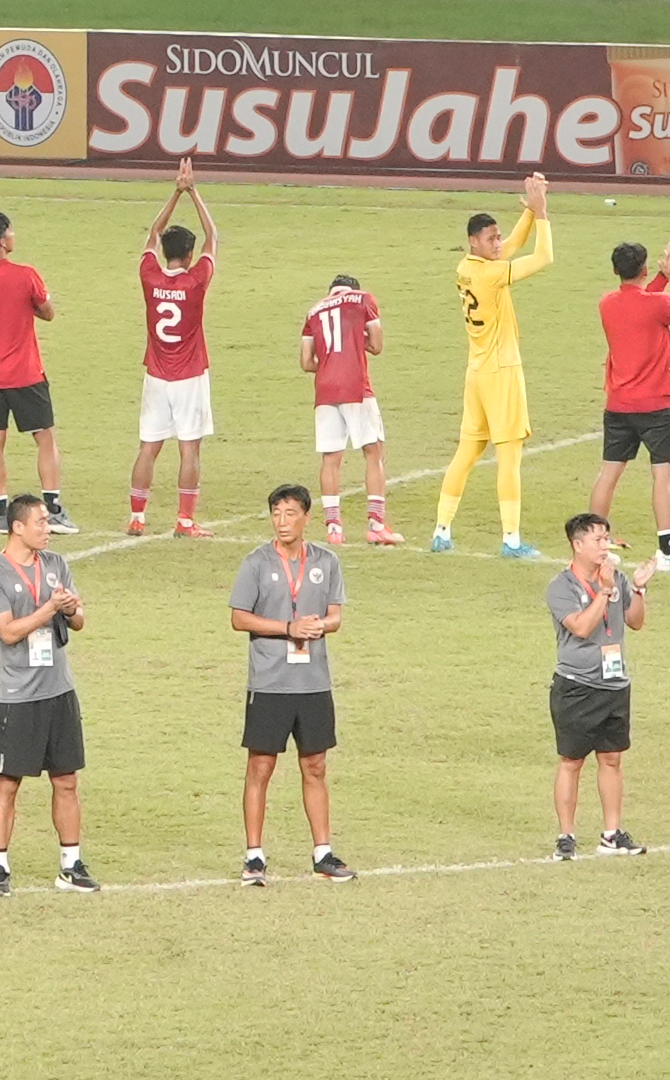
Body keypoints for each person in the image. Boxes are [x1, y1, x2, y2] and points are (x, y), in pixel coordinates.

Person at [228, 483, 350, 884]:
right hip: (269, 683)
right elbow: (239, 618)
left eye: (290, 513)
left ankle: (323, 853)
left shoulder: (326, 562)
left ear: (306, 518)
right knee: (260, 767)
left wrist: (320, 625)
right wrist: (288, 628)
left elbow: (336, 615)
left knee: (315, 766)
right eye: (276, 514)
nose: (282, 522)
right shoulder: (256, 563)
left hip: (313, 682)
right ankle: (254, 856)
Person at [0, 495, 93, 894]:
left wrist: (71, 609)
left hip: (59, 689)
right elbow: (8, 632)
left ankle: (71, 866)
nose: (47, 528)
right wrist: (49, 608)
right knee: (8, 782)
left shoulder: (56, 564)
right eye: (40, 522)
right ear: (18, 527)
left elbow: (79, 621)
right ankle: (0, 870)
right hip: (18, 695)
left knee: (67, 780)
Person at [434, 171, 555, 559]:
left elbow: (510, 248)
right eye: (491, 239)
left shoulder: (466, 268)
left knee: (467, 452)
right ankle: (511, 540)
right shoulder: (491, 275)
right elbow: (543, 257)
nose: (498, 243)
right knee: (509, 456)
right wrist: (542, 214)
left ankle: (441, 530)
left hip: (476, 372)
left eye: (498, 236)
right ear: (474, 241)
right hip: (502, 371)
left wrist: (529, 212)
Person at [588, 234, 670, 567]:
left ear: (615, 270)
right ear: (644, 269)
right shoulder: (658, 304)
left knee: (608, 473)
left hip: (618, 405)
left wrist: (662, 276)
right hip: (657, 406)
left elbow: (640, 301)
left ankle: (593, 543)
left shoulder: (607, 303)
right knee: (663, 477)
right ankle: (668, 551)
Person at [546, 512, 648, 858]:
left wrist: (638, 588)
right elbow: (581, 627)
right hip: (577, 685)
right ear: (578, 545)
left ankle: (611, 834)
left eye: (607, 538)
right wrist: (604, 590)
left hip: (614, 683)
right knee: (572, 761)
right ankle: (566, 836)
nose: (606, 546)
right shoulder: (561, 587)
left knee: (612, 758)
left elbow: (636, 622)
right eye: (598, 540)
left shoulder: (617, 578)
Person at [130, 158, 219, 537]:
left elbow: (153, 232)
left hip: (156, 376)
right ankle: (185, 520)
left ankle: (137, 516)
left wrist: (174, 193)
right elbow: (213, 236)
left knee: (148, 447)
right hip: (190, 376)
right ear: (190, 254)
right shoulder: (196, 281)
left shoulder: (149, 275)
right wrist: (193, 192)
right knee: (189, 448)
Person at [0, 210, 63, 529]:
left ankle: (2, 514)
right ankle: (53, 509)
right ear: (3, 241)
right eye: (11, 232)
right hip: (25, 372)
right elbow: (48, 313)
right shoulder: (26, 275)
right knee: (45, 438)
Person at [302, 271, 396, 546]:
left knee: (330, 458)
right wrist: (357, 341)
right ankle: (376, 525)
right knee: (373, 451)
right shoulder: (363, 299)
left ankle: (333, 528)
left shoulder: (314, 311)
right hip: (356, 386)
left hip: (325, 390)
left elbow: (306, 362)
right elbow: (376, 345)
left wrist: (330, 365)